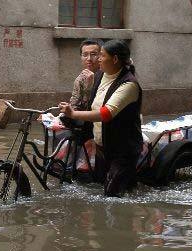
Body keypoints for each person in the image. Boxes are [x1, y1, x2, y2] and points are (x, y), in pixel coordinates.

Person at [58, 39, 142, 197]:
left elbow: (106, 113)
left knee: (112, 195)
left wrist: (73, 114)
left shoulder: (129, 84)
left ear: (115, 59)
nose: (98, 59)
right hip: (102, 146)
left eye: (101, 55)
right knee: (101, 186)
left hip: (123, 149)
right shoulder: (99, 76)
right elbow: (88, 105)